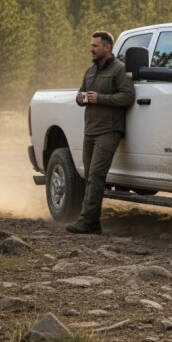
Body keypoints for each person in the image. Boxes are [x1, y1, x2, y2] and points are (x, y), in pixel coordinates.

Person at [66, 31, 135, 234]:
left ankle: (86, 221)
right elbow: (80, 94)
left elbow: (128, 96)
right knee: (89, 176)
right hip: (90, 130)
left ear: (107, 47)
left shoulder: (119, 69)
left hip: (109, 130)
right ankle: (93, 223)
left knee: (96, 175)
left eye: (95, 46)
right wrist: (80, 98)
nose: (92, 49)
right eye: (91, 45)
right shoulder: (90, 71)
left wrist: (100, 98)